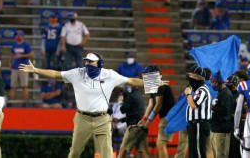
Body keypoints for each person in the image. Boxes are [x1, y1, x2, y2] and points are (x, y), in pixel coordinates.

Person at [19, 52, 148, 158]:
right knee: (74, 153)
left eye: (91, 62)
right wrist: (35, 70)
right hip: (82, 119)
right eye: (86, 61)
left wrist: (152, 83)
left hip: (102, 119)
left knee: (107, 155)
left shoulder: (109, 75)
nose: (88, 64)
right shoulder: (77, 73)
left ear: (100, 63)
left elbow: (131, 81)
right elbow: (56, 74)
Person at [138, 65, 175, 158]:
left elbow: (158, 105)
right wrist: (144, 118)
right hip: (166, 117)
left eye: (147, 75)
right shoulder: (154, 85)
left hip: (168, 117)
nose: (145, 78)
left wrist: (148, 122)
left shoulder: (160, 86)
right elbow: (151, 104)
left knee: (160, 144)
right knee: (161, 144)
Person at [185, 65, 211, 158]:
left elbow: (193, 105)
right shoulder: (197, 90)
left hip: (199, 124)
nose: (189, 77)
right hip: (194, 124)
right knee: (193, 151)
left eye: (191, 75)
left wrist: (188, 94)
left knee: (199, 151)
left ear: (197, 77)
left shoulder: (202, 90)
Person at [118, 85, 148, 158]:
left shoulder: (130, 96)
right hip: (142, 127)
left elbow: (122, 110)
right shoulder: (140, 96)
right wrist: (121, 120)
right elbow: (134, 112)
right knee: (143, 151)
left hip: (133, 127)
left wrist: (121, 101)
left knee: (123, 148)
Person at [210, 71, 234, 158]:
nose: (212, 84)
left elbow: (225, 112)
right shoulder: (220, 92)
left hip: (222, 131)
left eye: (213, 82)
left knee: (221, 155)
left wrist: (213, 107)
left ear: (219, 81)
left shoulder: (226, 94)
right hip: (216, 129)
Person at [10, 30, 34, 100]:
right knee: (12, 86)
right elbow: (12, 54)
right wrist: (11, 63)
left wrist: (22, 56)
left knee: (24, 86)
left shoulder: (26, 44)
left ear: (21, 36)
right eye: (16, 35)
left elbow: (32, 54)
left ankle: (25, 104)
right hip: (15, 67)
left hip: (23, 67)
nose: (16, 36)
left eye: (18, 35)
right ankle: (12, 104)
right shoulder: (14, 44)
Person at [226, 74, 242, 158]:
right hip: (227, 126)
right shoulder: (226, 94)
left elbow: (242, 111)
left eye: (229, 83)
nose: (227, 85)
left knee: (236, 150)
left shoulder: (241, 95)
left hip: (237, 126)